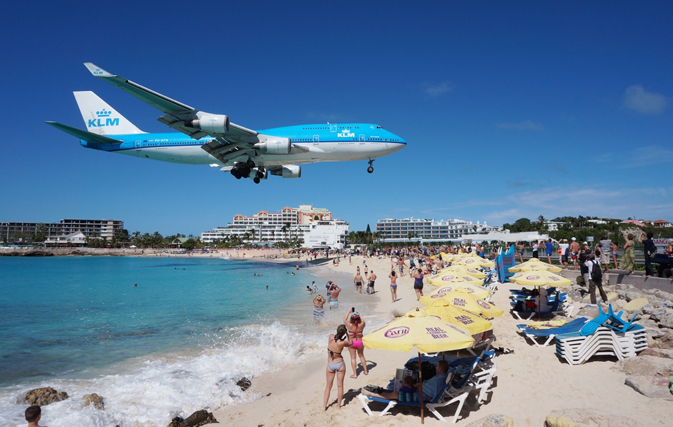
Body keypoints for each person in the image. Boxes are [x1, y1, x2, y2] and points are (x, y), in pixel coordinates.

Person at [361, 360, 449, 403]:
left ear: (440, 369)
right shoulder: (441, 378)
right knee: (396, 391)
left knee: (395, 394)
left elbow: (430, 395)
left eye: (437, 366)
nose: (436, 368)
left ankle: (371, 394)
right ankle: (376, 391)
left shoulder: (437, 380)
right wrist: (419, 385)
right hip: (419, 393)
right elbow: (430, 389)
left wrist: (418, 387)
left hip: (418, 397)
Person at [323, 324, 353, 410]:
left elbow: (334, 336)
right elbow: (350, 343)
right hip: (340, 364)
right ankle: (338, 405)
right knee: (340, 386)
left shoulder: (330, 337)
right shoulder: (342, 343)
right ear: (344, 333)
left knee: (328, 386)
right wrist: (348, 334)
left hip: (330, 364)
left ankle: (324, 406)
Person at [344, 308, 368, 379]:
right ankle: (366, 371)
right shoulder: (362, 323)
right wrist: (357, 314)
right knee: (361, 356)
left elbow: (344, 319)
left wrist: (349, 311)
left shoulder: (349, 324)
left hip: (351, 343)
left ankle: (355, 374)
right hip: (360, 341)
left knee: (353, 358)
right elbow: (363, 320)